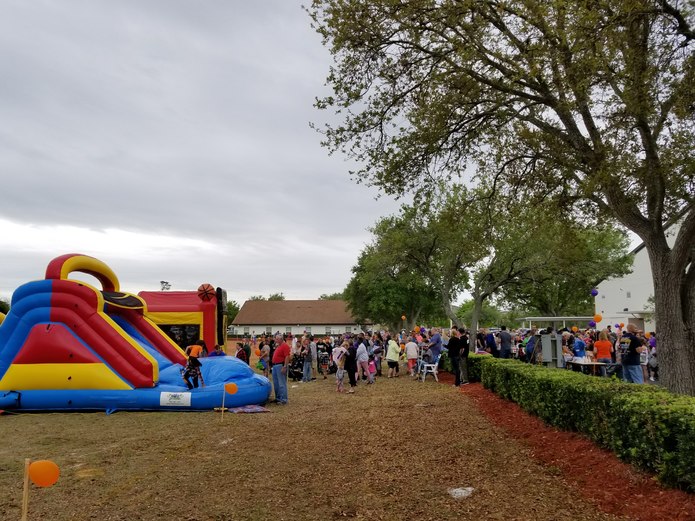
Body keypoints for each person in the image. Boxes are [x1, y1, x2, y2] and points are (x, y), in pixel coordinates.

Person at [271, 334, 291, 404]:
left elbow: (287, 356)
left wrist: (285, 366)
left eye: (276, 339)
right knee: (276, 383)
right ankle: (278, 397)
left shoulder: (285, 346)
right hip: (275, 365)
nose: (275, 340)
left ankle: (284, 399)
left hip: (280, 365)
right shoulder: (278, 346)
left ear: (280, 339)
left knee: (282, 383)